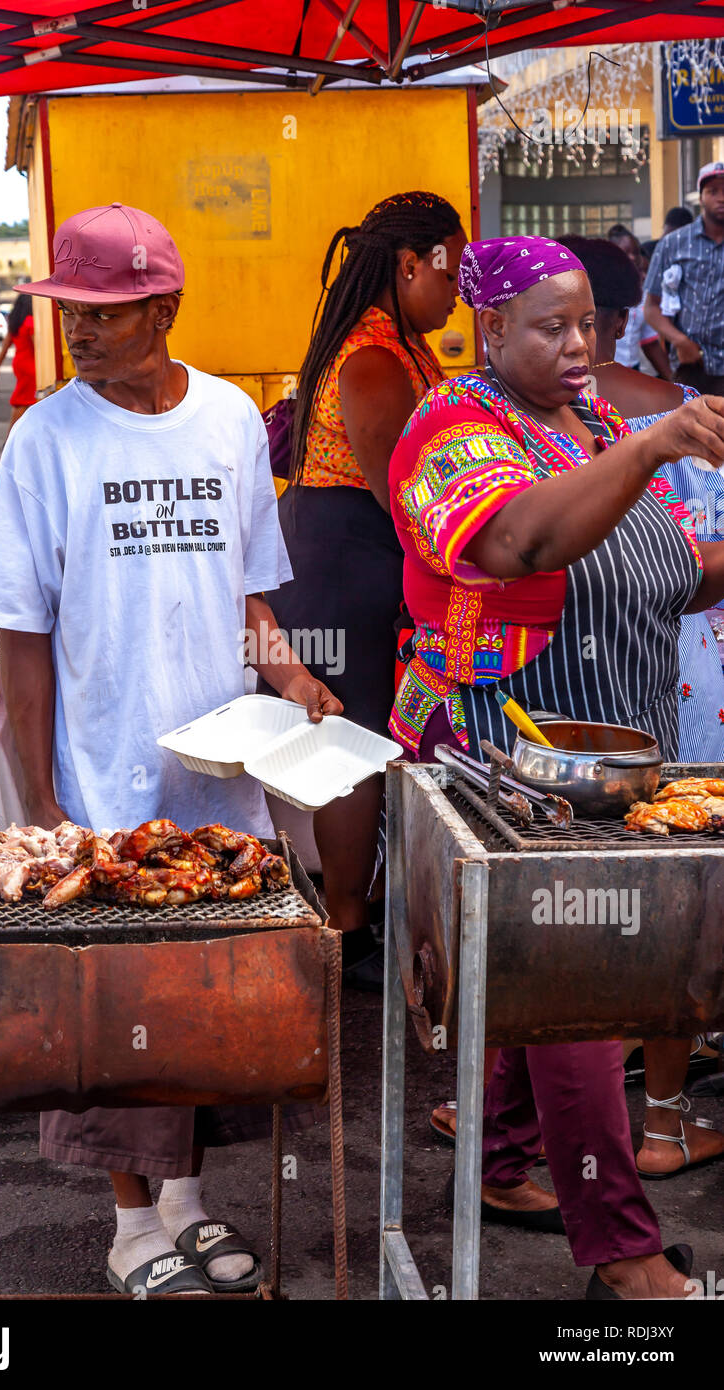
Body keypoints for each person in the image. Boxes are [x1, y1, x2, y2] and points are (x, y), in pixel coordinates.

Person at [0, 203, 342, 1298]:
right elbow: (20, 633)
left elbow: (246, 597)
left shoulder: (227, 419)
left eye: (102, 309)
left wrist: (289, 677)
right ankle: (129, 1224)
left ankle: (182, 1202)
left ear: (163, 307)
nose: (78, 329)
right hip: (99, 770)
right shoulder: (46, 436)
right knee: (106, 1012)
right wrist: (41, 796)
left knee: (195, 1001)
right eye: (67, 310)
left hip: (216, 773)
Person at [389, 234, 724, 1298]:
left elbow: (669, 576)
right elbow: (517, 547)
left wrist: (645, 460)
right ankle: (620, 1253)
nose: (579, 344)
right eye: (550, 326)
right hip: (506, 749)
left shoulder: (593, 425)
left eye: (587, 322)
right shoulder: (447, 427)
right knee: (582, 991)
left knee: (563, 980)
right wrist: (649, 447)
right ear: (487, 329)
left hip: (616, 749)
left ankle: (496, 1158)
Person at [261, 191, 467, 991]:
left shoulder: (402, 343)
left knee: (371, 737)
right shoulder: (375, 357)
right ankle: (346, 926)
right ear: (408, 264)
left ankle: (361, 907)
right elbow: (405, 494)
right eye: (447, 267)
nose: (457, 289)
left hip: (358, 549)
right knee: (349, 741)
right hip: (345, 555)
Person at [562, 233, 724, 1177]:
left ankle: (519, 1120)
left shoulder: (527, 420)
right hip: (672, 675)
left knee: (581, 911)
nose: (577, 342)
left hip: (593, 688)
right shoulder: (668, 419)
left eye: (582, 323)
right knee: (676, 902)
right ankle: (660, 1123)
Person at [644, 161, 724, 395]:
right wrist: (679, 341)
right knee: (688, 431)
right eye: (713, 191)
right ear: (700, 198)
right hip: (691, 366)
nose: (721, 198)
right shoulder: (673, 244)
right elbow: (651, 307)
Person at [606, 225, 671, 378]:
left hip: (632, 371)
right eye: (625, 252)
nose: (633, 257)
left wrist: (674, 381)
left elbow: (649, 342)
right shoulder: (598, 292)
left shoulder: (643, 294)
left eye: (635, 252)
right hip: (603, 373)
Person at [0, 293, 36, 436]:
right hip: (31, 365)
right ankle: (12, 438)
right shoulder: (30, 321)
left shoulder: (15, 322)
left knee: (23, 401)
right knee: (25, 401)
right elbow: (37, 348)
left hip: (20, 364)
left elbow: (5, 346)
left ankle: (16, 436)